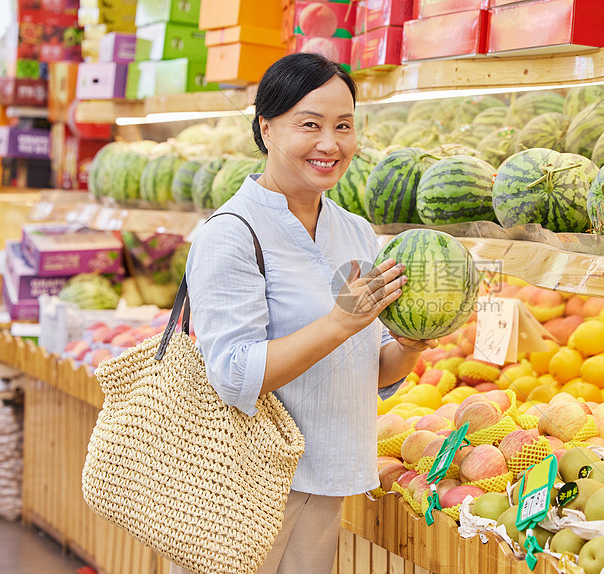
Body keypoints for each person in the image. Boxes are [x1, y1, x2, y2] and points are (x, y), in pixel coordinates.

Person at [172, 53, 437, 574]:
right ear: (266, 128)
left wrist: (408, 344)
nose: (329, 144)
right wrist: (341, 322)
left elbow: (371, 373)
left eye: (344, 126)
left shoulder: (357, 231)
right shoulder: (231, 233)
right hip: (249, 485)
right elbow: (233, 374)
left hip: (330, 477)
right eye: (309, 125)